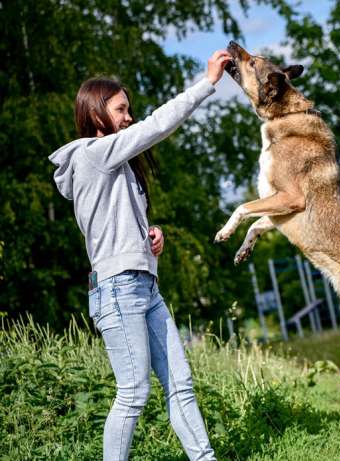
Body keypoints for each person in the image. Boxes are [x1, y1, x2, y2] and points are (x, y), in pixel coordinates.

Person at [48, 49, 232, 461]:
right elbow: (157, 125)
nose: (129, 117)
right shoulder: (93, 154)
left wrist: (150, 236)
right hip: (117, 290)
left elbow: (113, 227)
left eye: (129, 110)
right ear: (97, 114)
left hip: (143, 284)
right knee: (133, 393)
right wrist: (208, 84)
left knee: (180, 383)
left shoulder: (117, 165)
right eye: (121, 109)